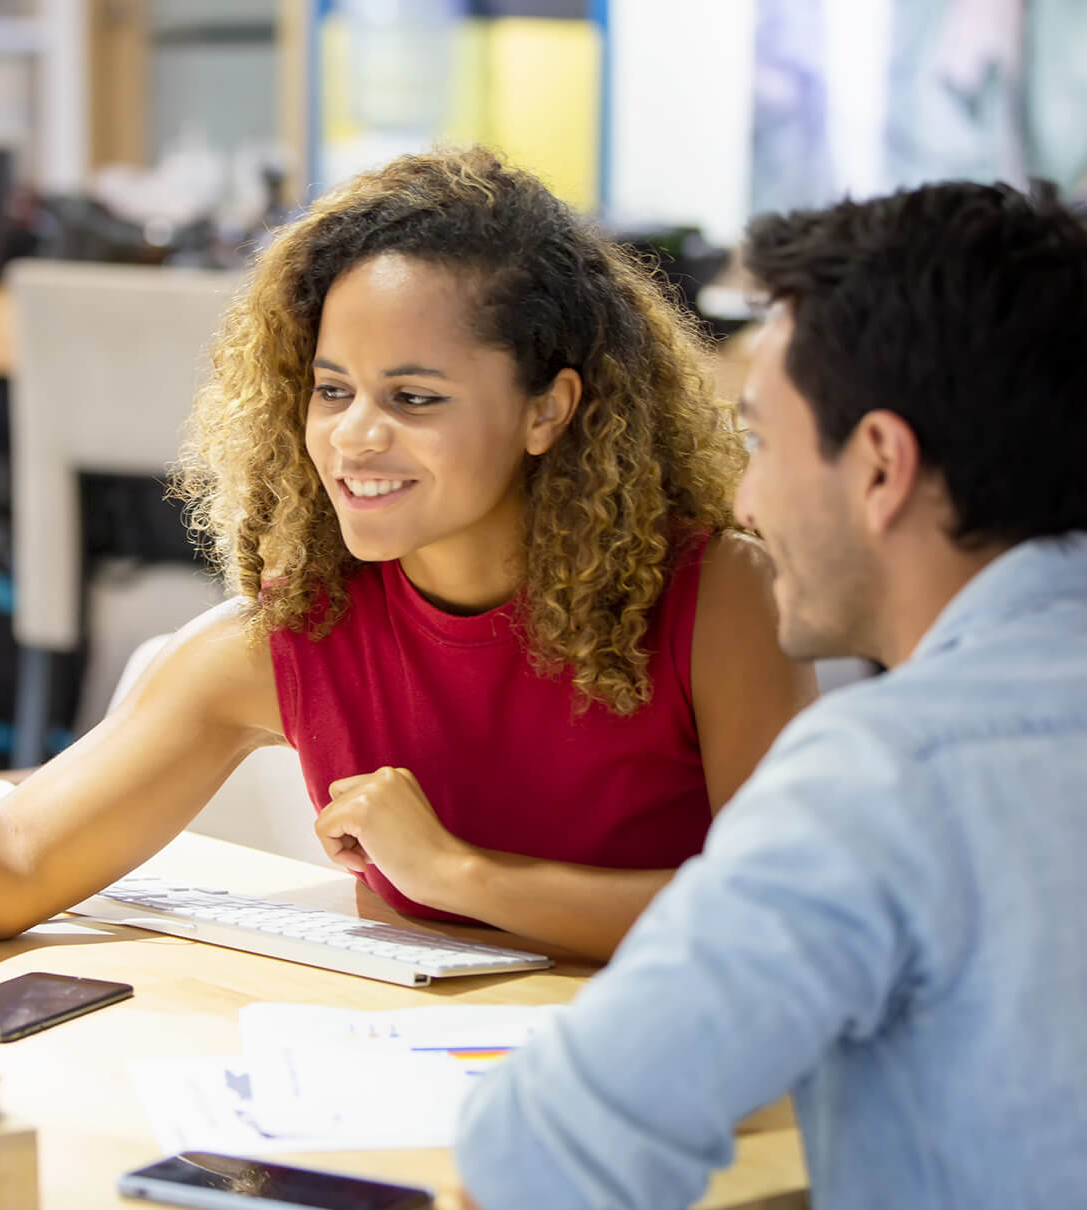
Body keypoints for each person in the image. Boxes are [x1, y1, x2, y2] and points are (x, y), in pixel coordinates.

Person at [0, 147, 815, 960]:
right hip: (394, 1095)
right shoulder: (292, 633)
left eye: (414, 398)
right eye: (332, 390)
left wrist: (459, 876)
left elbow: (778, 918)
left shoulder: (721, 600)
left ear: (549, 408)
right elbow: (11, 865)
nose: (354, 437)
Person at [455, 179, 1087, 1207]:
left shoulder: (888, 777)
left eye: (760, 442)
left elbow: (539, 1162)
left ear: (879, 466)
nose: (745, 500)